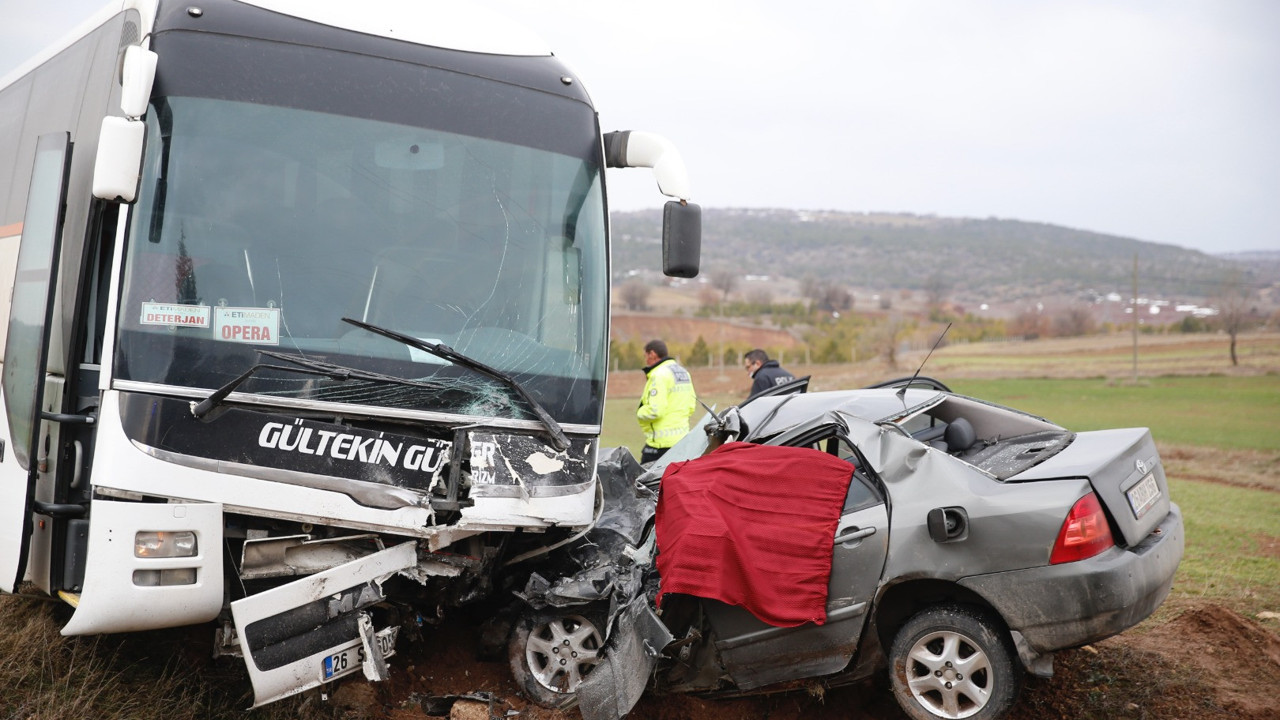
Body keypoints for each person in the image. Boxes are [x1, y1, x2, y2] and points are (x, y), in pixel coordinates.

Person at [636, 339, 697, 464]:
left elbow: (655, 410)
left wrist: (639, 412)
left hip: (660, 445)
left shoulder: (658, 375)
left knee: (643, 480)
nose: (646, 360)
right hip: (682, 442)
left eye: (645, 356)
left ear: (652, 354)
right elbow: (691, 406)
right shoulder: (683, 373)